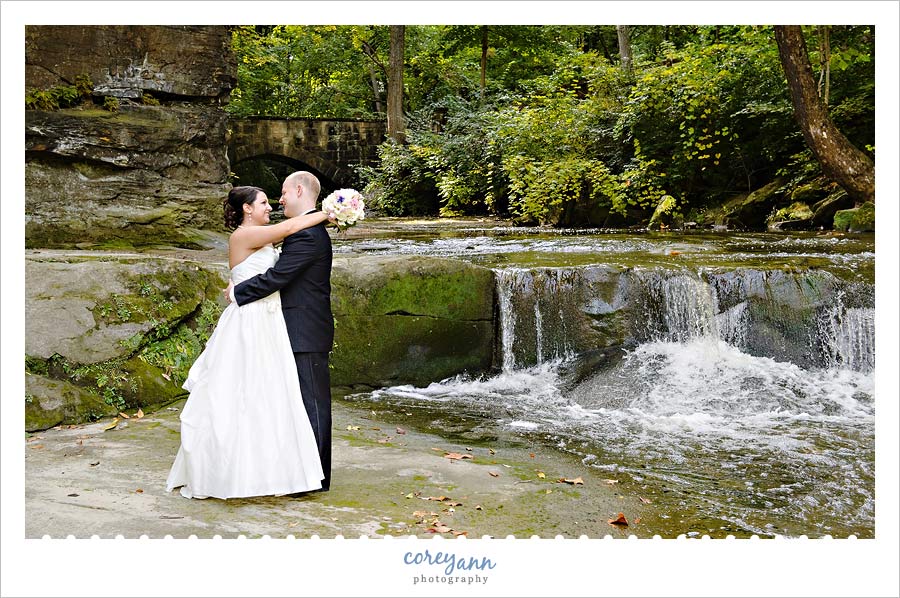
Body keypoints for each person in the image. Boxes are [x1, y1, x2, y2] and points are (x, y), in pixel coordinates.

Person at [165, 185, 331, 499]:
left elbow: (284, 245)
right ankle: (232, 470)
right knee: (240, 395)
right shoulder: (243, 236)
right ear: (247, 209)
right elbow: (293, 226)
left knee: (267, 396)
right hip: (251, 320)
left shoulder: (263, 236)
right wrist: (332, 212)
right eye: (264, 202)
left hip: (270, 321)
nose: (271, 207)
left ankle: (269, 468)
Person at [225, 171, 335, 491]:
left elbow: (278, 277)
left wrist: (239, 293)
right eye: (267, 200)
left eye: (283, 193)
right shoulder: (299, 231)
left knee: (312, 405)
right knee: (293, 403)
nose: (278, 200)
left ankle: (316, 479)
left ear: (298, 189)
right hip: (281, 325)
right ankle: (299, 471)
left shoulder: (305, 234)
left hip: (304, 328)